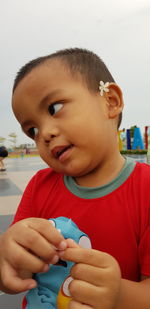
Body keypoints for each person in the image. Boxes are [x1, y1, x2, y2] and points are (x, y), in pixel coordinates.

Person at [0, 48, 150, 309]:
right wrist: (8, 258)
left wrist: (119, 296)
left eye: (54, 108)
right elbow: (16, 277)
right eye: (32, 129)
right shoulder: (39, 186)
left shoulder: (145, 189)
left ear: (110, 101)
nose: (44, 133)